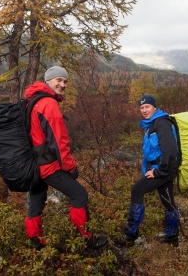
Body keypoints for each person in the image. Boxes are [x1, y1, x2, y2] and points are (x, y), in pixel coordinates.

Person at [24, 66, 108, 250]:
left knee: (37, 200)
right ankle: (88, 239)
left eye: (65, 81)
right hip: (48, 165)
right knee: (80, 195)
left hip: (34, 165)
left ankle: (35, 241)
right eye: (59, 80)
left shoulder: (33, 100)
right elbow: (59, 142)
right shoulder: (48, 103)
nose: (63, 84)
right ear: (48, 81)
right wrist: (70, 167)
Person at [123, 94, 180, 247]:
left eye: (147, 106)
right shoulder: (152, 124)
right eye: (141, 107)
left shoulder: (162, 123)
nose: (144, 110)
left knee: (137, 190)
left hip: (163, 168)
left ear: (155, 107)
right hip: (164, 168)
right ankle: (172, 236)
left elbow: (170, 150)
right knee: (167, 200)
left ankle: (130, 234)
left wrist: (158, 172)